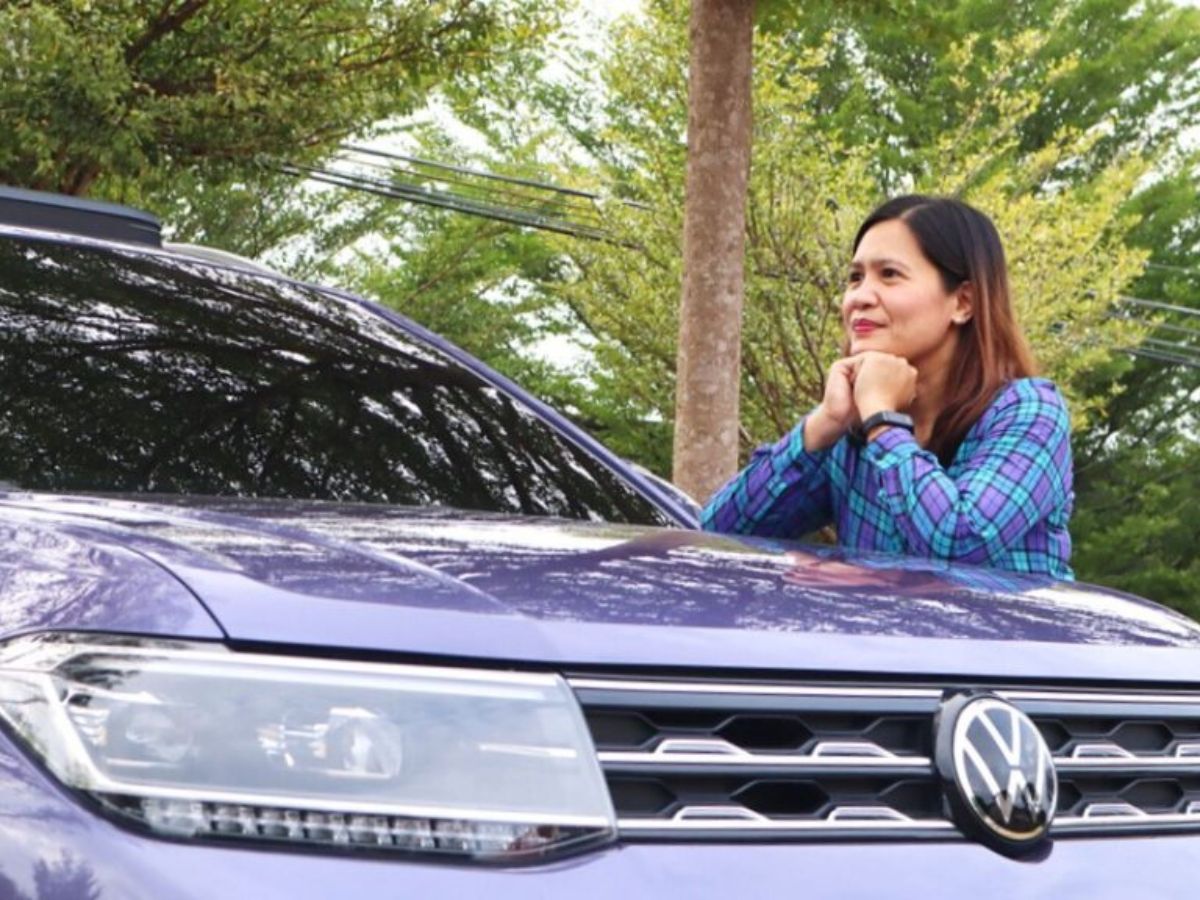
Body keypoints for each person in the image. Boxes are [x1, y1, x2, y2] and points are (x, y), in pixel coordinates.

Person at [701, 195, 1074, 580]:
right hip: (875, 641)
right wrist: (822, 424)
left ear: (963, 302)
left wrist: (883, 421)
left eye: (890, 275)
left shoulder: (1029, 412)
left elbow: (958, 540)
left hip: (1003, 640)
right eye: (855, 278)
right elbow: (719, 536)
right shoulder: (850, 429)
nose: (860, 297)